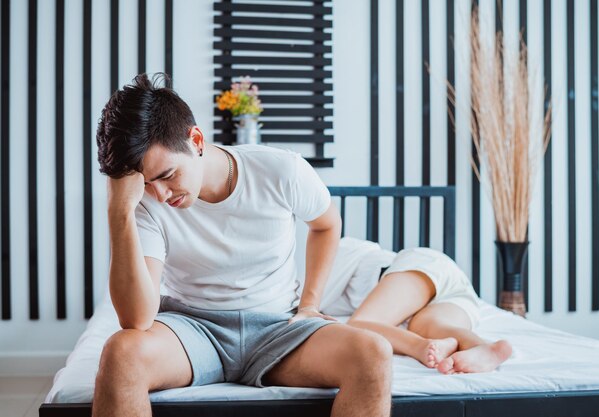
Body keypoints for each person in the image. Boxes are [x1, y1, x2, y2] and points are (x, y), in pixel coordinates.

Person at [93, 73, 393, 417]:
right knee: (121, 353)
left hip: (278, 328)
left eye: (166, 175)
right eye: (145, 184)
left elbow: (326, 225)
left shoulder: (282, 170)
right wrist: (120, 211)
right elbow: (137, 319)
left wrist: (310, 303)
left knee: (373, 353)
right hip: (192, 332)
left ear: (196, 140)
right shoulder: (145, 203)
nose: (160, 194)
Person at [346, 246, 513, 374]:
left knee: (358, 326)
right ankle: (482, 347)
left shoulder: (329, 244)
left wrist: (419, 346)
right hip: (453, 291)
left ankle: (419, 346)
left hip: (419, 268)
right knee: (431, 327)